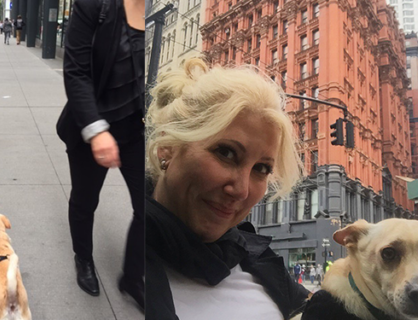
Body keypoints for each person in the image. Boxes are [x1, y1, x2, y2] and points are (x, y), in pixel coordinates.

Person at [144, 58, 309, 319]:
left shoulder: (257, 258)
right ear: (167, 145)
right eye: (226, 153)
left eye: (261, 168)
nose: (242, 190)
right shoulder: (116, 254)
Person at [58, 0, 145, 310]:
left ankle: (134, 277)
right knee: (85, 200)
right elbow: (76, 71)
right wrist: (97, 130)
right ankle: (83, 258)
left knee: (148, 206)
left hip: (138, 131)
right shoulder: (97, 5)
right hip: (94, 123)